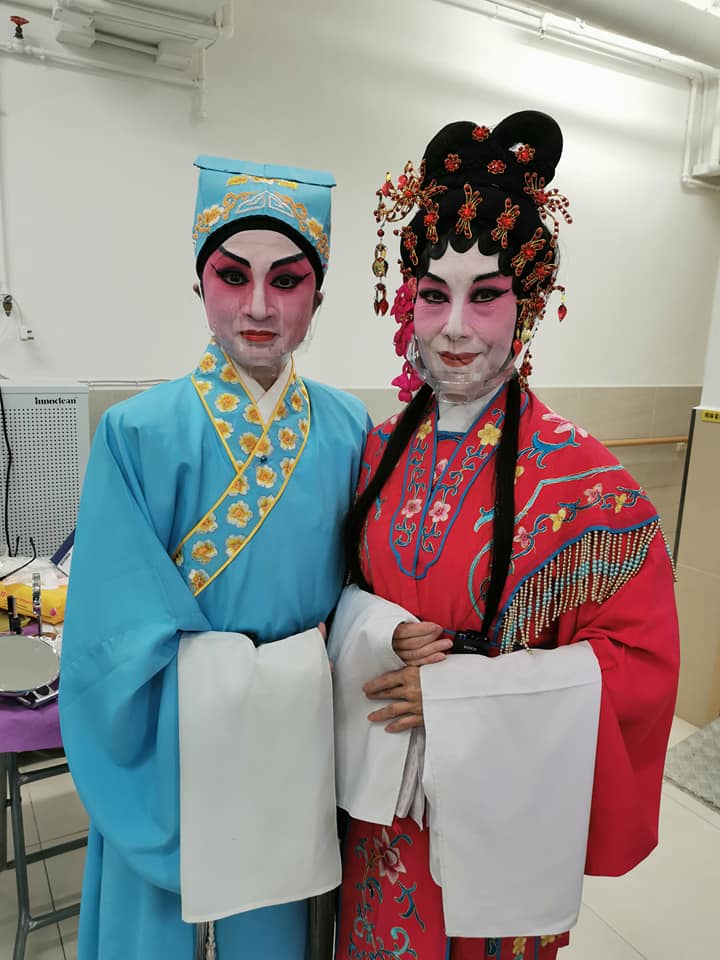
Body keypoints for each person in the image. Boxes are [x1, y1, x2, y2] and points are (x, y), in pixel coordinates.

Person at [329, 111, 680, 959]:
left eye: (484, 295)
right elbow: (322, 596)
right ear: (408, 300)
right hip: (380, 810)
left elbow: (639, 668)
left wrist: (464, 698)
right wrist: (376, 629)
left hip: (503, 812)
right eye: (434, 294)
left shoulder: (588, 485)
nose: (455, 327)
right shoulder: (374, 451)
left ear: (527, 304)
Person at [59, 157, 369, 959]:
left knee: (274, 931)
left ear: (319, 295)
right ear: (199, 284)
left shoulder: (351, 432)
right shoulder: (135, 434)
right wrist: (248, 678)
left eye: (287, 280)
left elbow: (364, 593)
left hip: (293, 756)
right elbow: (110, 637)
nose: (259, 306)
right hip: (174, 752)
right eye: (233, 276)